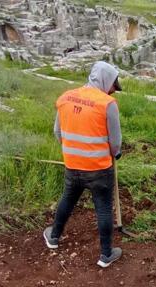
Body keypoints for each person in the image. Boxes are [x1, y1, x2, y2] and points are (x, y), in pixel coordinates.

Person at [43, 61, 124, 268]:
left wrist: (73, 151)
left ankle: (53, 237)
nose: (113, 91)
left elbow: (57, 132)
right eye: (113, 86)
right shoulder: (107, 104)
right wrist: (115, 153)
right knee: (104, 209)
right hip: (99, 169)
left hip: (73, 166)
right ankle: (106, 255)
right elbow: (115, 143)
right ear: (106, 80)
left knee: (67, 200)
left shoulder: (65, 97)